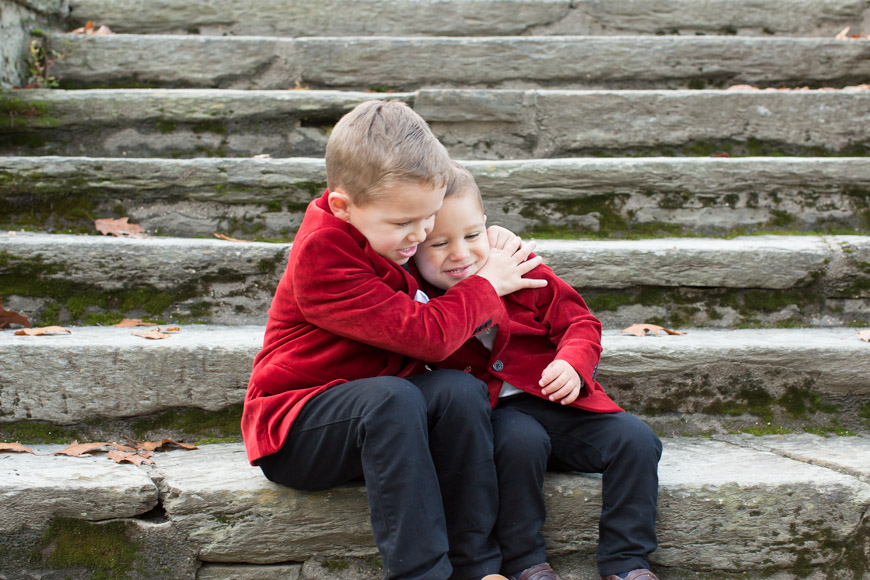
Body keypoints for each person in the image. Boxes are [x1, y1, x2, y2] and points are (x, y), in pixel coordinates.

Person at [241, 100, 547, 580]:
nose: (420, 235)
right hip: (299, 429)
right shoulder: (323, 257)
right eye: (404, 224)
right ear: (343, 205)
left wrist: (488, 246)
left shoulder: (384, 230)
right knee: (393, 397)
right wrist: (485, 284)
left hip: (386, 426)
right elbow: (428, 336)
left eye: (427, 218)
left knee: (459, 390)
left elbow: (450, 263)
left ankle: (478, 566)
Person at [412, 163, 663, 580]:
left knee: (637, 441)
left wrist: (573, 363)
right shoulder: (419, 299)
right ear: (412, 244)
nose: (459, 254)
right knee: (520, 444)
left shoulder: (521, 267)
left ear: (488, 228)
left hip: (558, 400)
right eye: (439, 243)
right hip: (493, 416)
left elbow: (579, 323)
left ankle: (626, 561)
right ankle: (526, 562)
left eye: (472, 235)